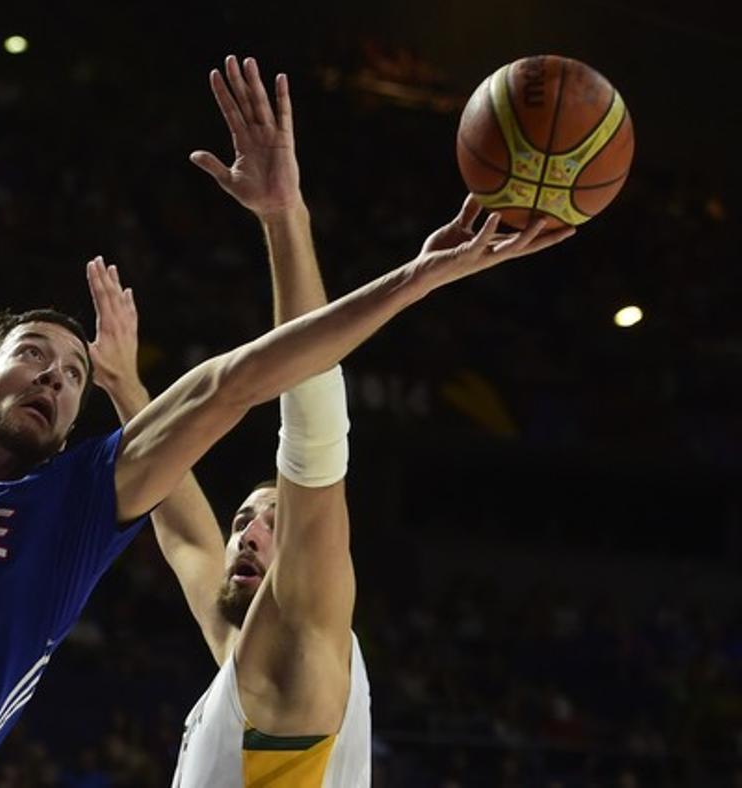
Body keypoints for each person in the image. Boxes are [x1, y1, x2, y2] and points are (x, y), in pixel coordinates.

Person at [0, 60, 573, 788]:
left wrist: (406, 275)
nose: (58, 377)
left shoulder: (70, 504)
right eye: (38, 355)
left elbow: (246, 391)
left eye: (76, 374)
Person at [85, 57, 567, 786]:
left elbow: (310, 419)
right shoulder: (251, 659)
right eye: (245, 517)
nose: (244, 530)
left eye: (270, 518)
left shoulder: (305, 631)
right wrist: (125, 389)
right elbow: (186, 532)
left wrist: (286, 217)